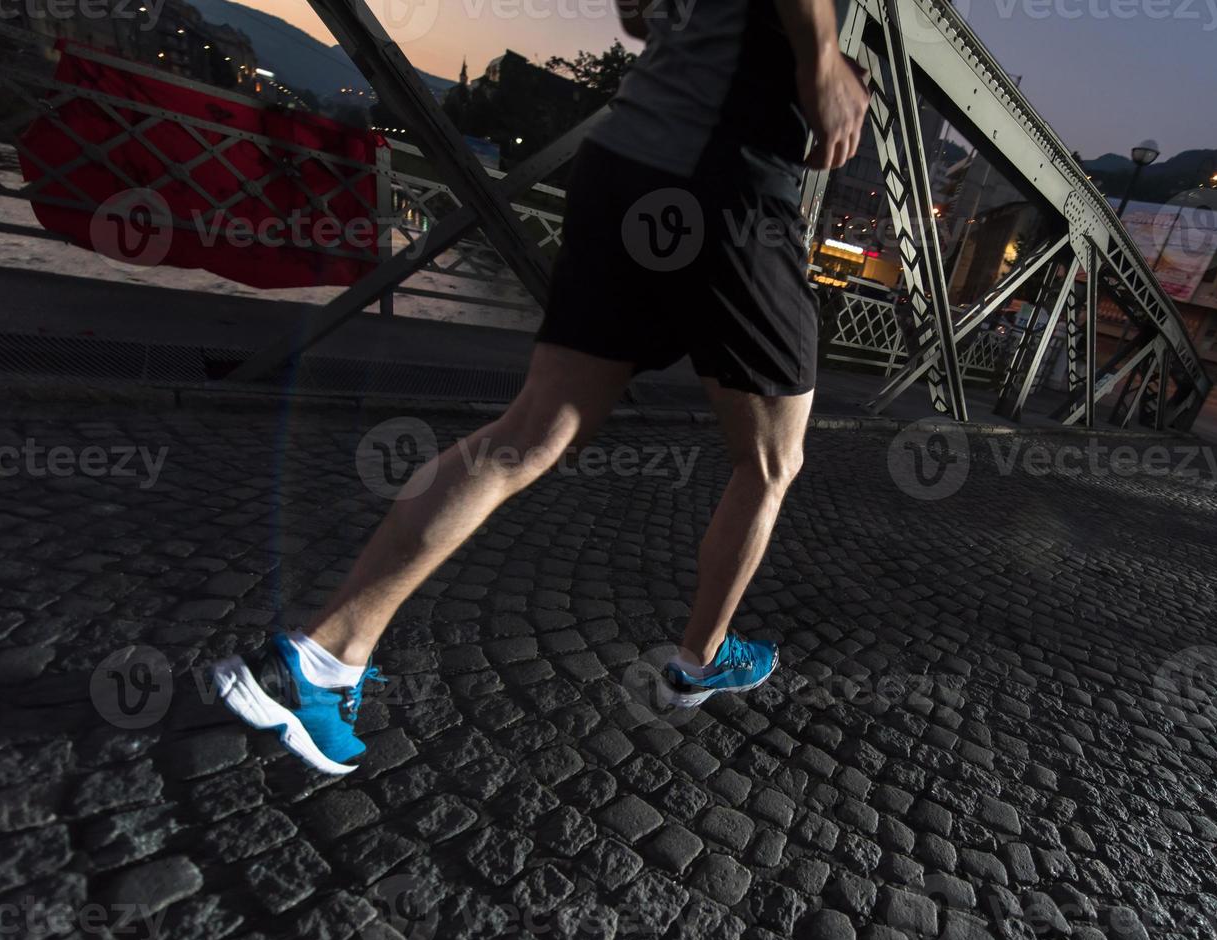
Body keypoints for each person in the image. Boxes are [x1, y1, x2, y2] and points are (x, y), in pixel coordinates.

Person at [211, 0, 871, 773]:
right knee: (769, 463)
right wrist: (821, 60)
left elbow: (634, 15)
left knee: (528, 432)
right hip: (733, 185)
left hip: (621, 163)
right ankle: (701, 658)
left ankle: (321, 659)